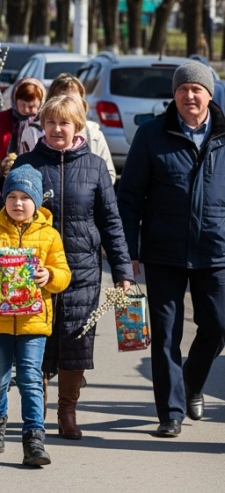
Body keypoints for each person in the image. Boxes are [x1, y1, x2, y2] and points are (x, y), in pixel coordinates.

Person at [13, 94, 132, 440]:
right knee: (39, 339)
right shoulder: (28, 164)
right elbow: (9, 214)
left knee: (76, 341)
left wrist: (123, 271)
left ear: (77, 125)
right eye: (50, 122)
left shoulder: (94, 166)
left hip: (82, 271)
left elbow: (111, 221)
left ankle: (67, 411)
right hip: (35, 270)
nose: (56, 129)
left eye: (64, 122)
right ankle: (38, 407)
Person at [117, 60, 225, 438]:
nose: (190, 95)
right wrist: (127, 252)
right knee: (165, 335)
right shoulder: (151, 135)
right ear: (174, 95)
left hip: (216, 250)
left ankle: (193, 383)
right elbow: (129, 198)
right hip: (163, 251)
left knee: (217, 324)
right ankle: (171, 413)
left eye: (197, 89)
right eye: (183, 89)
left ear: (210, 95)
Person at [0, 164, 71, 467]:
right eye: (11, 196)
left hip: (33, 321)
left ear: (36, 202)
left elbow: (64, 275)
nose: (17, 203)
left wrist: (47, 275)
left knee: (30, 379)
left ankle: (34, 439)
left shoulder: (50, 236)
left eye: (25, 197)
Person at [18, 74, 115, 180]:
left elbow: (108, 174)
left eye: (73, 98)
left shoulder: (93, 132)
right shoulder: (33, 132)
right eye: (62, 97)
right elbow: (25, 173)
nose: (67, 103)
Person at [0, 77, 45, 179]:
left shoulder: (44, 122)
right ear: (15, 100)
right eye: (23, 105)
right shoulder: (1, 120)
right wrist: (1, 164)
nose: (26, 110)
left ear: (40, 103)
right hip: (3, 177)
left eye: (32, 106)